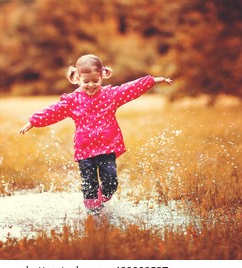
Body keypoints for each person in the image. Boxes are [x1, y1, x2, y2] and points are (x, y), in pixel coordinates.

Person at [19, 54, 172, 215]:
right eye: (86, 81)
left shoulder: (110, 95)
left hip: (107, 148)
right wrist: (33, 122)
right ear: (78, 78)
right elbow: (53, 111)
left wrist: (153, 80)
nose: (91, 85)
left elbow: (131, 88)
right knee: (89, 185)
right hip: (85, 151)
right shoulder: (72, 101)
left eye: (95, 81)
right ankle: (93, 215)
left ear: (102, 76)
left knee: (111, 182)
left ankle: (101, 199)